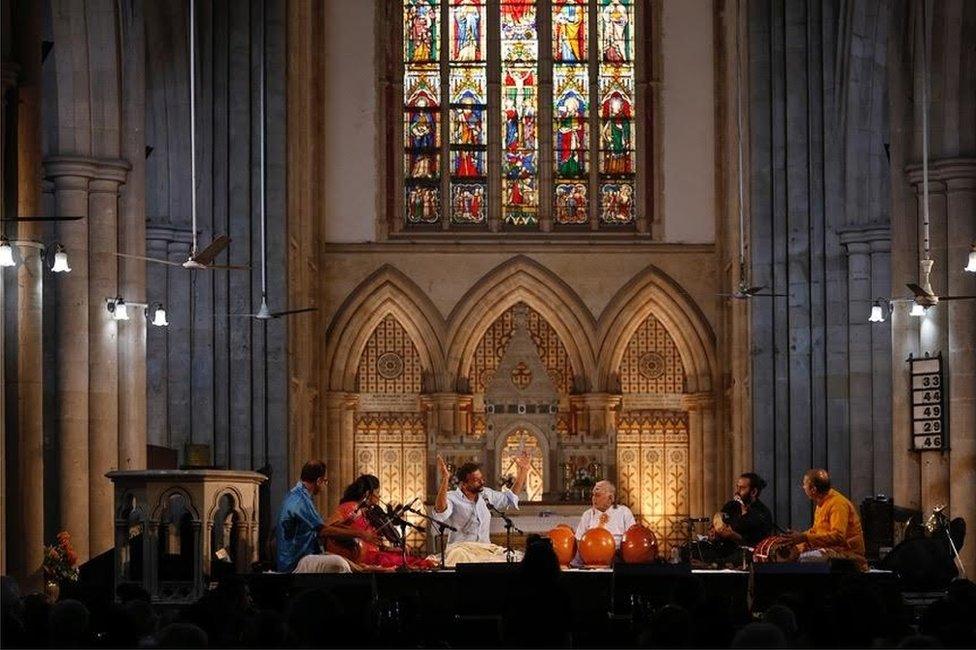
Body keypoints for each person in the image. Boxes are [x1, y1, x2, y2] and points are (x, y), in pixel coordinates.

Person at [274, 460, 381, 573]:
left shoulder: (298, 495)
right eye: (325, 481)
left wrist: (346, 527)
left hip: (304, 555)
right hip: (295, 562)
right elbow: (323, 530)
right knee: (340, 564)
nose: (325, 485)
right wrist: (361, 534)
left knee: (350, 563)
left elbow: (319, 525)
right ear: (319, 481)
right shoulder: (300, 500)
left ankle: (371, 571)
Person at [430, 453, 530, 564]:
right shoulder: (452, 497)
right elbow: (440, 509)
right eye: (477, 480)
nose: (482, 482)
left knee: (513, 557)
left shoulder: (486, 494)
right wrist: (445, 479)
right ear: (464, 484)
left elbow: (509, 497)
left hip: (485, 548)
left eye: (482, 478)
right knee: (461, 557)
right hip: (461, 548)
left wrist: (523, 472)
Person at [327, 474, 435, 569]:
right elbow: (326, 529)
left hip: (375, 556)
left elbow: (374, 546)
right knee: (416, 563)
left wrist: (392, 549)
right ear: (368, 494)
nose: (379, 496)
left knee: (412, 560)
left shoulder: (369, 512)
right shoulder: (351, 507)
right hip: (362, 558)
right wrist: (361, 534)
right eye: (377, 492)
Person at [781, 468, 868, 571]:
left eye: (804, 484)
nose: (803, 487)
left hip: (848, 556)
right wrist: (794, 542)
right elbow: (816, 531)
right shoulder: (821, 502)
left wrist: (804, 537)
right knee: (792, 556)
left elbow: (839, 536)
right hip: (832, 552)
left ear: (813, 489)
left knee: (802, 560)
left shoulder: (838, 504)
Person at [575, 480, 636, 548]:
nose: (593, 498)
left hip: (617, 553)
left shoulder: (624, 512)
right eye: (593, 495)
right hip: (592, 553)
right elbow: (578, 539)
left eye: (597, 495)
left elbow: (633, 537)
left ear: (611, 498)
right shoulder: (587, 514)